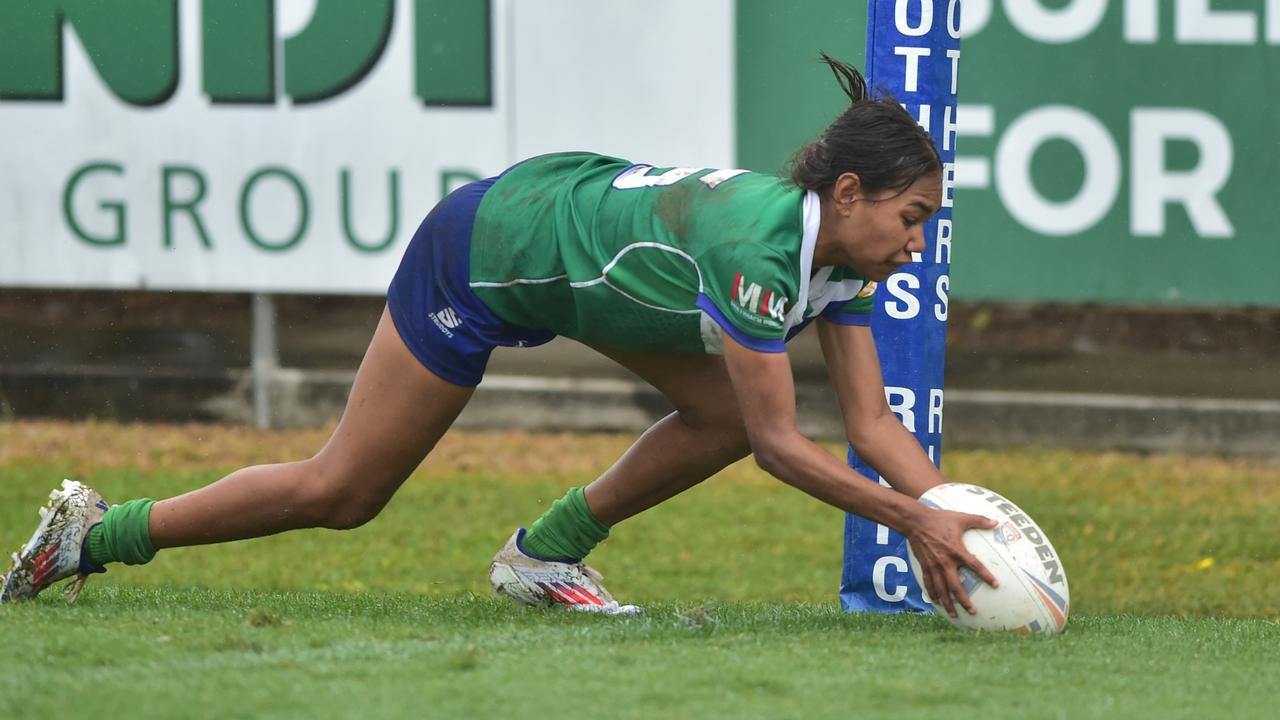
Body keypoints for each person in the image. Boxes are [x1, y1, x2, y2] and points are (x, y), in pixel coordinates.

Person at [2, 55, 997, 617]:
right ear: (848, 192)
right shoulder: (760, 248)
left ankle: (543, 556)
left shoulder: (846, 261)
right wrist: (913, 521)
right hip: (487, 249)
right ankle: (92, 536)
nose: (915, 242)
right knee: (342, 491)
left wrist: (967, 521)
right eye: (911, 217)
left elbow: (868, 426)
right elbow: (786, 446)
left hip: (575, 266)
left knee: (721, 413)